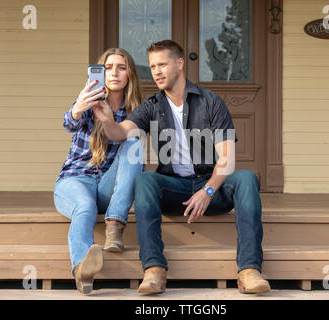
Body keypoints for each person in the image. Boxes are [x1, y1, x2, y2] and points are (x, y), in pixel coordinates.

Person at [93, 40, 270, 295]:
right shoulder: (152, 106)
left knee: (246, 179)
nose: (156, 71)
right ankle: (154, 270)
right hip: (174, 188)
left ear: (179, 64)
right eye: (153, 66)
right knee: (145, 180)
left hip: (211, 189)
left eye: (162, 64)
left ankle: (249, 270)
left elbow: (227, 159)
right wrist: (108, 121)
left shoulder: (210, 102)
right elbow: (121, 133)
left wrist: (207, 191)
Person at [53, 48, 144, 295]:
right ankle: (82, 267)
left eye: (121, 67)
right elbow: (68, 123)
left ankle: (114, 225)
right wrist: (79, 107)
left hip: (107, 188)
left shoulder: (137, 112)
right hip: (75, 180)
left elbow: (136, 164)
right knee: (85, 205)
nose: (114, 73)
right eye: (108, 67)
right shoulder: (90, 98)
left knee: (135, 142)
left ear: (130, 75)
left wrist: (110, 122)